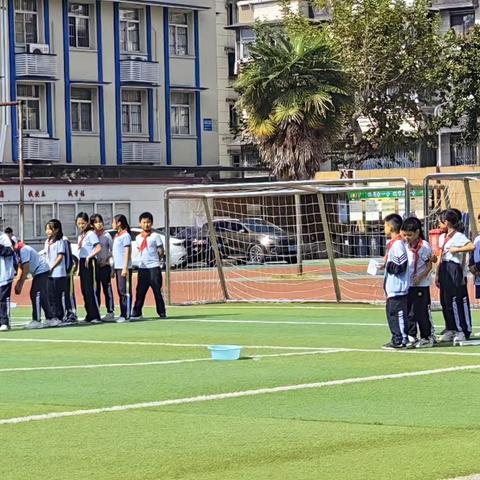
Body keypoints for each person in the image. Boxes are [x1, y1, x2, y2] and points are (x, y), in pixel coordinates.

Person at [436, 209, 475, 343]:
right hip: (444, 267)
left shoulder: (458, 236)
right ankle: (450, 328)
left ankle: (462, 330)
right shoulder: (442, 237)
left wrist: (457, 249)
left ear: (446, 222)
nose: (438, 223)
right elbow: (440, 254)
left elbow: (471, 246)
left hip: (454, 268)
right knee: (445, 300)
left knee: (455, 300)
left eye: (440, 221)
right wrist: (437, 273)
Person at [401, 217, 435, 348]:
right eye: (404, 235)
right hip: (408, 284)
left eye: (409, 235)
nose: (406, 238)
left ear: (417, 232)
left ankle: (427, 336)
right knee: (408, 310)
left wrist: (420, 277)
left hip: (421, 284)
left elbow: (429, 265)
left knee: (420, 311)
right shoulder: (404, 245)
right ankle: (411, 335)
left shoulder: (424, 246)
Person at [14, 241, 60, 329]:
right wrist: (17, 283)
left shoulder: (23, 250)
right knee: (42, 296)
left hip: (41, 270)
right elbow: (20, 267)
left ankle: (37, 320)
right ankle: (51, 319)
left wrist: (21, 284)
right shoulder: (18, 251)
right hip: (40, 271)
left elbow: (26, 268)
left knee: (36, 294)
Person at [381, 213, 410, 350]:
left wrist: (388, 265)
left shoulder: (398, 244)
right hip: (392, 288)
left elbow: (401, 265)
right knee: (391, 314)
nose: (384, 228)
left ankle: (401, 339)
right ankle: (396, 338)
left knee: (398, 314)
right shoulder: (393, 244)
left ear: (391, 227)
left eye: (385, 225)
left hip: (398, 288)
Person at [131, 212, 167, 320]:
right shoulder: (138, 238)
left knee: (157, 291)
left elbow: (161, 250)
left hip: (154, 267)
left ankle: (161, 312)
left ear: (152, 223)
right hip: (143, 268)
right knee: (140, 291)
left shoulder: (156, 236)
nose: (146, 224)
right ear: (140, 223)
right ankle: (137, 312)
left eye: (148, 222)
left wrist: (159, 256)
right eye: (144, 222)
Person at [76, 212, 102, 324]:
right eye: (79, 223)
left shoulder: (91, 234)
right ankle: (89, 314)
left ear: (87, 223)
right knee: (84, 290)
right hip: (82, 262)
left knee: (91, 289)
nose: (81, 225)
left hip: (90, 262)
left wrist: (89, 257)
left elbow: (98, 248)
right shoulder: (81, 236)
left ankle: (95, 315)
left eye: (83, 223)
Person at [91, 214, 115, 322]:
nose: (99, 224)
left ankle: (110, 311)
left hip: (105, 266)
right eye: (96, 222)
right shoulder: (91, 235)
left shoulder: (107, 235)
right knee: (96, 290)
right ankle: (97, 311)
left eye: (100, 221)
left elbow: (112, 250)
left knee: (107, 288)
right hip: (95, 266)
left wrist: (107, 260)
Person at [44, 219, 68, 324]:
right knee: (50, 295)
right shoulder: (47, 241)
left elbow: (60, 256)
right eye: (47, 229)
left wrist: (52, 267)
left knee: (57, 295)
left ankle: (60, 316)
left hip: (58, 272)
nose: (48, 231)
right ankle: (52, 316)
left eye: (50, 229)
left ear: (56, 230)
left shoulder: (60, 241)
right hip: (49, 273)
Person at [111, 214, 132, 323]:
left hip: (124, 267)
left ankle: (126, 314)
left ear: (119, 223)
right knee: (120, 291)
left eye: (113, 222)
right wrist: (114, 268)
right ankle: (123, 313)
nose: (112, 224)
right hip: (118, 267)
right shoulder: (117, 236)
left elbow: (127, 252)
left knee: (125, 291)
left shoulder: (125, 235)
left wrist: (125, 267)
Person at [0, 231, 15, 331]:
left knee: (2, 298)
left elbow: (10, 251)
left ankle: (5, 321)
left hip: (4, 273)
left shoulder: (3, 237)